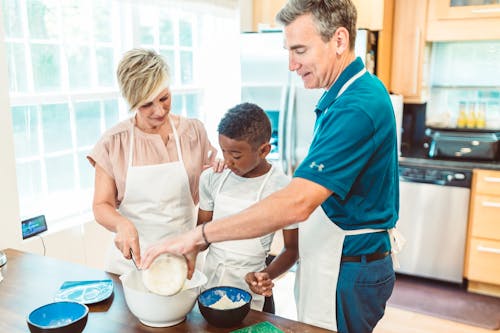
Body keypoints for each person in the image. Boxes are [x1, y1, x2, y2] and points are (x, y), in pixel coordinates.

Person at [141, 1, 402, 332]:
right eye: (288, 51)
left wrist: (199, 235)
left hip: (345, 267)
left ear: (338, 40)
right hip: (332, 260)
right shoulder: (343, 96)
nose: (291, 64)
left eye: (300, 50)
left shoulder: (357, 106)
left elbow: (296, 203)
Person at [87, 48, 221, 275]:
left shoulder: (193, 132)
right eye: (147, 104)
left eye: (164, 98)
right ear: (131, 100)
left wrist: (221, 169)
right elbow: (101, 205)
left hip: (183, 260)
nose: (159, 110)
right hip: (130, 265)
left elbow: (209, 186)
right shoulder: (114, 142)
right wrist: (122, 224)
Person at [197, 102, 298, 313]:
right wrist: (181, 252)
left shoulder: (282, 188)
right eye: (223, 151)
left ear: (263, 151)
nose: (227, 161)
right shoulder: (213, 178)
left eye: (235, 156)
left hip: (252, 288)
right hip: (210, 284)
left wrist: (266, 276)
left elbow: (292, 249)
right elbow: (201, 235)